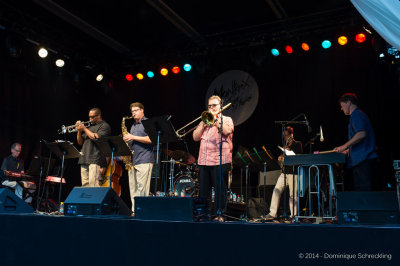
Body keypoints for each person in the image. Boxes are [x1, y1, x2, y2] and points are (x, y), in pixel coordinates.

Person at [193, 95, 234, 221]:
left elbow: (227, 131)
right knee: (203, 192)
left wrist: (215, 120)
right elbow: (195, 137)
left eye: (214, 105)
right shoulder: (204, 121)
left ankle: (219, 215)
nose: (211, 108)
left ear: (220, 106)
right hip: (204, 161)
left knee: (220, 191)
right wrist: (202, 125)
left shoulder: (226, 119)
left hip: (219, 160)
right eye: (209, 106)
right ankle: (203, 214)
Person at [334, 93, 378, 191]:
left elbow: (361, 134)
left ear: (348, 103)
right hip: (362, 160)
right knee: (362, 192)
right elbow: (358, 141)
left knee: (365, 194)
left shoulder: (356, 114)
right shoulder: (357, 115)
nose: (341, 109)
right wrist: (347, 151)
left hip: (364, 160)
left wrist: (344, 146)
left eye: (342, 106)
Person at [122, 102, 154, 214]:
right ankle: (134, 211)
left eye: (135, 110)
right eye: (132, 111)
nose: (133, 113)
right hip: (133, 161)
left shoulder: (147, 122)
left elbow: (151, 139)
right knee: (133, 189)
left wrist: (133, 137)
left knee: (142, 189)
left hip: (144, 159)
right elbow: (133, 141)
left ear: (142, 110)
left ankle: (143, 212)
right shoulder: (133, 126)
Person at [265, 126, 303, 220]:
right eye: (284, 136)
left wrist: (289, 152)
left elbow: (299, 158)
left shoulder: (297, 144)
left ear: (291, 135)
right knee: (276, 190)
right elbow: (282, 159)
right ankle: (272, 213)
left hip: (294, 173)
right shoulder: (285, 145)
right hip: (284, 172)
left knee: (293, 194)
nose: (285, 138)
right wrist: (280, 158)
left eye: (286, 136)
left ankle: (293, 216)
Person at [77, 107, 111, 187]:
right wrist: (79, 131)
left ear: (98, 116)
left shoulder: (104, 125)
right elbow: (80, 142)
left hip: (95, 158)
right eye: (89, 117)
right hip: (84, 158)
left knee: (93, 184)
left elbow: (95, 137)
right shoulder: (89, 127)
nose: (90, 119)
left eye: (92, 117)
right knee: (84, 185)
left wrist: (84, 128)